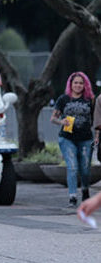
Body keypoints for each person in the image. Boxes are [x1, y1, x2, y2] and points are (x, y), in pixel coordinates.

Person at [51, 71, 94, 206]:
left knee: (85, 169)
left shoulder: (90, 100)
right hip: (67, 138)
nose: (78, 85)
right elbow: (53, 118)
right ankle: (73, 197)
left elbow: (96, 119)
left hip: (86, 138)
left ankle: (85, 190)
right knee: (73, 167)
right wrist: (61, 122)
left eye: (81, 83)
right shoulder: (63, 99)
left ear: (85, 85)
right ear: (71, 84)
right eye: (75, 82)